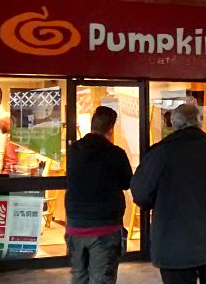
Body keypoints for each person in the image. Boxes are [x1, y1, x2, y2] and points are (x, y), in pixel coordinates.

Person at [131, 104, 206, 284]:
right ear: (200, 124)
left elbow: (140, 194)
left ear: (173, 125)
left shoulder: (159, 154)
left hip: (172, 243)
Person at [65, 106, 133, 284]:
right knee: (102, 279)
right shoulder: (116, 154)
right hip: (105, 228)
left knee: (79, 278)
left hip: (75, 226)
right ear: (111, 129)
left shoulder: (74, 151)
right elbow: (127, 183)